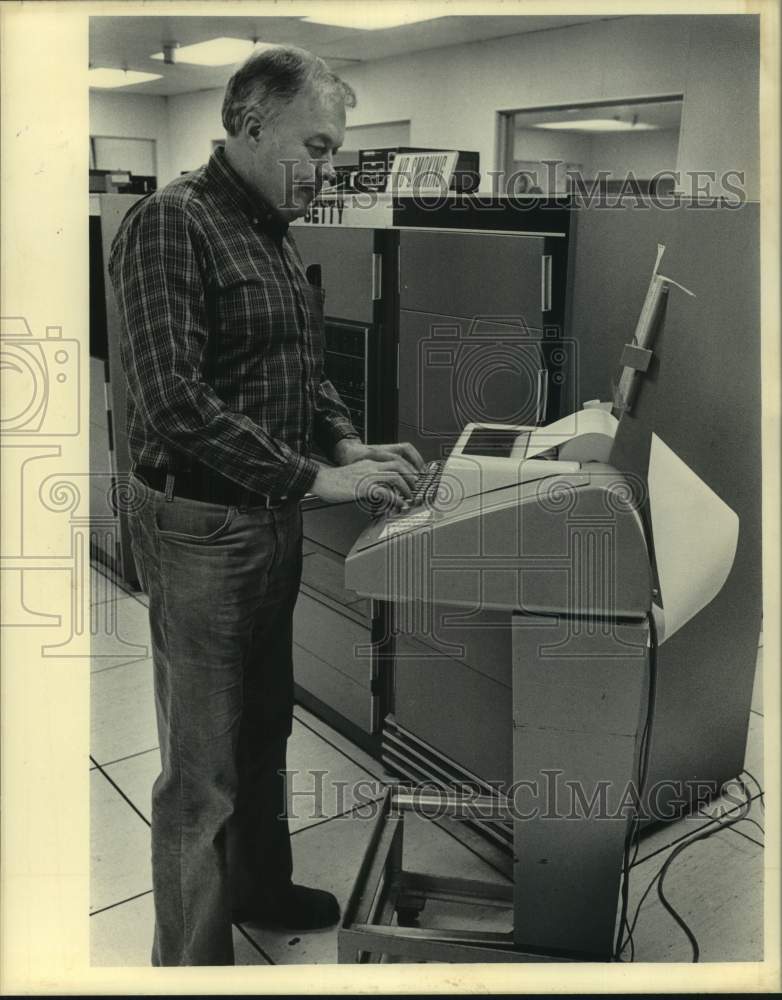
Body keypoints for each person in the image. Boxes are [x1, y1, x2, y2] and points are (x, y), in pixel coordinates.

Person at [108, 44, 424, 966]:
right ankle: (193, 963)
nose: (328, 171)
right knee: (200, 773)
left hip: (268, 522)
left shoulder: (272, 227)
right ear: (250, 124)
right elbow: (171, 399)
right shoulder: (175, 224)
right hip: (202, 527)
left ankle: (260, 886)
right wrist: (313, 481)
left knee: (266, 728)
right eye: (318, 147)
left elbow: (297, 365)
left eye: (335, 152)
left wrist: (344, 443)